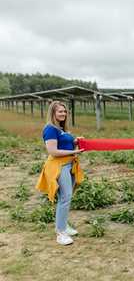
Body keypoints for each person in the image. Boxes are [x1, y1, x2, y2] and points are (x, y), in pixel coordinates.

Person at [35, 101, 84, 246]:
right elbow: (53, 152)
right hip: (59, 166)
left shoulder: (61, 128)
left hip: (69, 165)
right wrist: (75, 151)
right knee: (65, 197)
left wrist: (76, 141)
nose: (63, 114)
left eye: (64, 111)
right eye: (60, 111)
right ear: (53, 113)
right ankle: (60, 233)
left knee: (67, 197)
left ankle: (63, 226)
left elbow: (65, 144)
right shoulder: (50, 129)